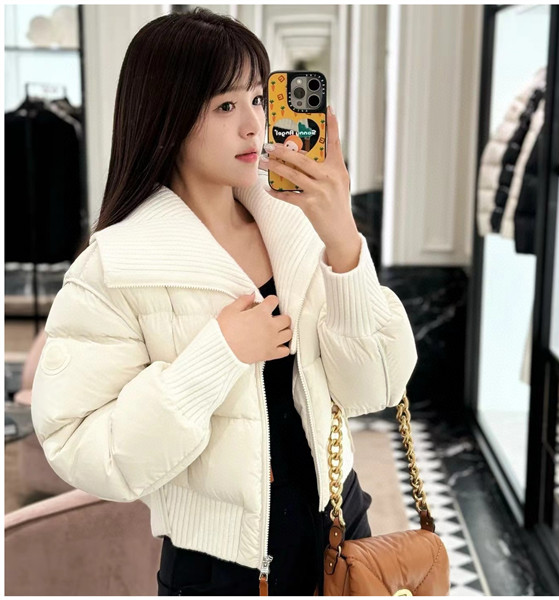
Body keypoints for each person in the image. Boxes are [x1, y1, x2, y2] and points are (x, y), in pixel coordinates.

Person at [30, 7, 418, 596]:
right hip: (220, 568)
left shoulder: (297, 226)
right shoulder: (116, 266)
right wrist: (219, 355)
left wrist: (343, 238)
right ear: (166, 117)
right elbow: (81, 447)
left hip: (341, 530)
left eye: (258, 99)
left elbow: (376, 388)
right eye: (225, 106)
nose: (254, 125)